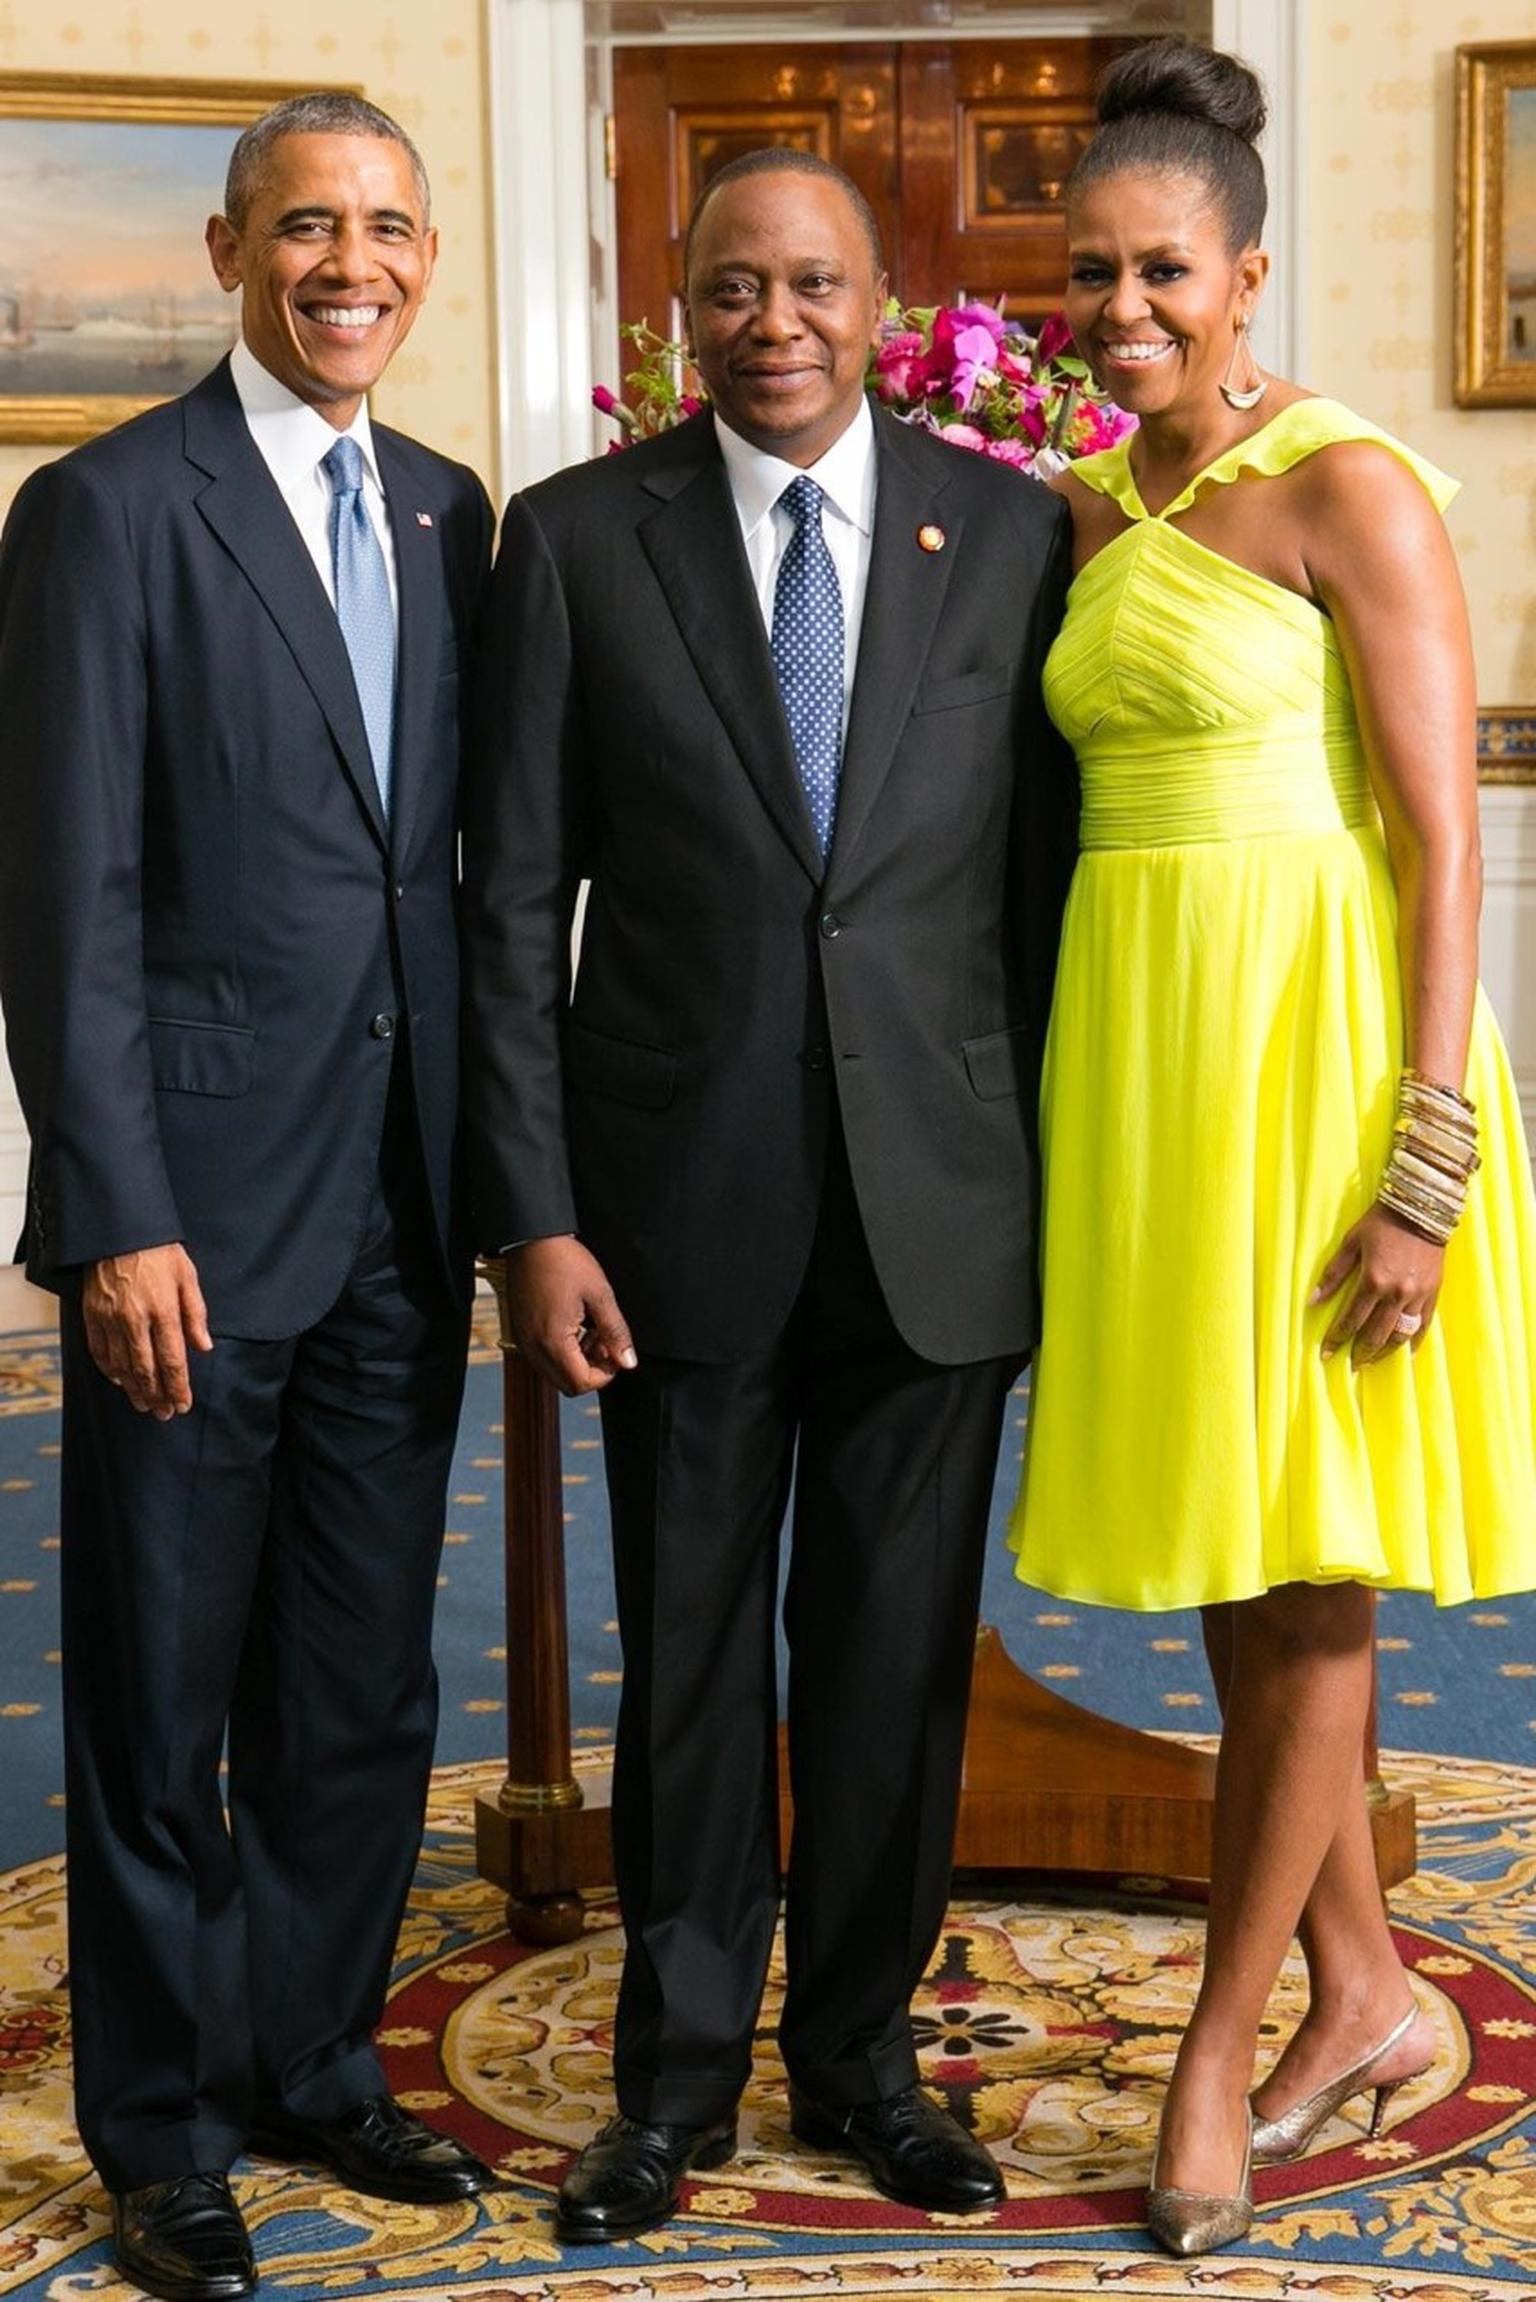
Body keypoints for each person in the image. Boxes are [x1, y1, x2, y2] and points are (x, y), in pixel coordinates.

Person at [462, 149, 1075, 2242]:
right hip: (664, 1218)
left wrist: (1053, 1191)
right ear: (680, 309)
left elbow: (1038, 903)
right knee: (697, 1657)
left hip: (936, 1207)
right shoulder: (573, 543)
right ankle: (676, 2076)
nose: (776, 322)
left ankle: (868, 2063)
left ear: (884, 304)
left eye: (815, 284)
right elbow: (509, 905)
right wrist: (534, 1212)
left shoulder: (1010, 532)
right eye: (735, 288)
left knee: (894, 1659)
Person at [1008, 37, 1536, 2260]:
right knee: (1245, 1546)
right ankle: (1372, 1985)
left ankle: (1221, 2048)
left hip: (1324, 1071)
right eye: (1093, 280)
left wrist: (1421, 1169)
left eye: (1164, 275)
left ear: (1242, 268)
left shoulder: (1353, 486)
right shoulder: (1086, 503)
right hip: (1147, 1067)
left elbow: (1441, 847)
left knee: (1310, 1561)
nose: (1126, 312)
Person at [0, 92, 497, 2302]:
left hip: (406, 1198)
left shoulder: (452, 509)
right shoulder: (106, 513)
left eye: (389, 226)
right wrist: (111, 1209)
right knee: (158, 1689)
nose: (352, 265)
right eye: (310, 225)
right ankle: (163, 2124)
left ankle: (311, 2052)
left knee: (358, 1685)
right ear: (227, 253)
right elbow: (67, 896)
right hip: (188, 1216)